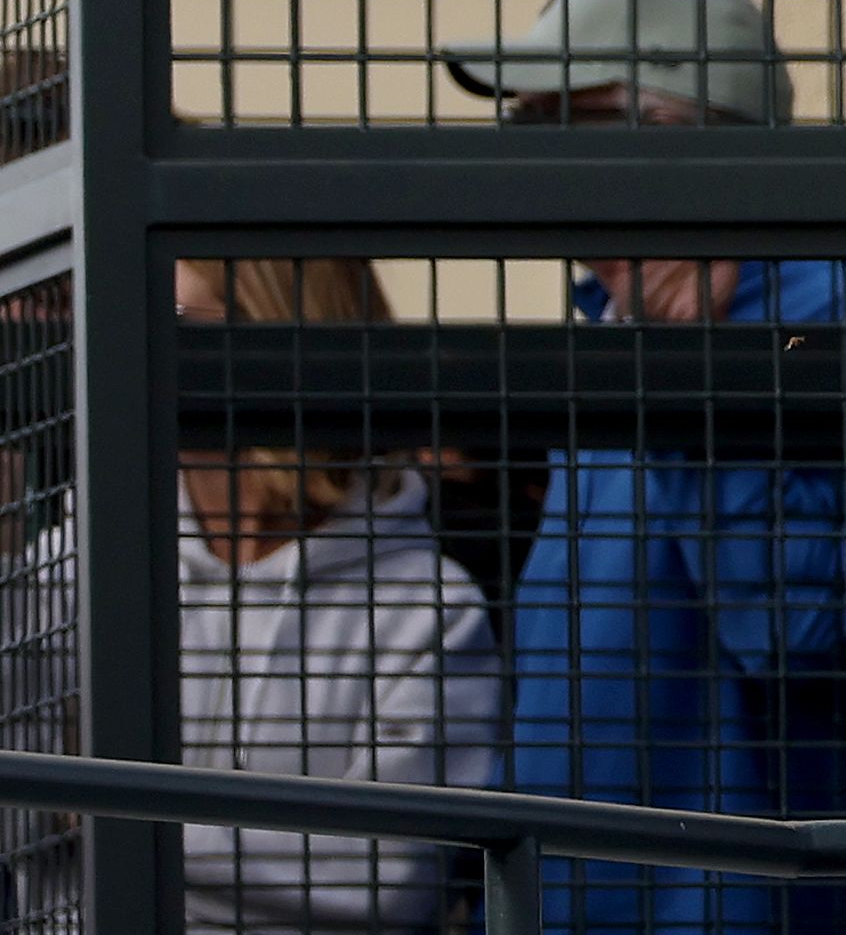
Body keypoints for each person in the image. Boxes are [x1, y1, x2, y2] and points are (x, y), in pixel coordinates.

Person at [442, 0, 846, 935]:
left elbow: (797, 627)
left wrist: (693, 358)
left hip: (751, 902)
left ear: (669, 132)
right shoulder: (607, 314)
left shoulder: (845, 307)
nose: (527, 154)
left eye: (559, 122)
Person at [4, 258, 503, 934]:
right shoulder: (73, 571)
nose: (118, 340)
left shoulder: (427, 607)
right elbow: (16, 819)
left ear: (270, 336)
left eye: (171, 319)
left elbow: (385, 880)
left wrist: (95, 811)